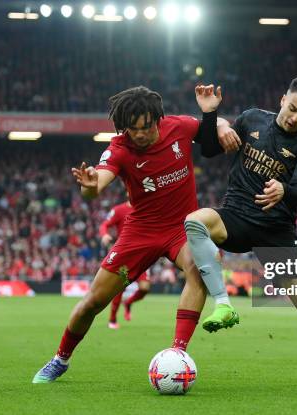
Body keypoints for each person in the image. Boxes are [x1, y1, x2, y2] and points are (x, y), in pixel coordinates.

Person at [32, 84, 236, 383]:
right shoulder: (119, 148)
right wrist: (89, 187)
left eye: (146, 127)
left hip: (181, 229)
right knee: (93, 302)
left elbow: (210, 126)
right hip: (141, 232)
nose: (139, 134)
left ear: (158, 119)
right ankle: (60, 359)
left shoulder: (177, 127)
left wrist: (219, 123)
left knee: (198, 269)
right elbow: (98, 183)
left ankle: (177, 355)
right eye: (132, 128)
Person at [184, 77, 297, 386]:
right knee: (195, 221)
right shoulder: (251, 119)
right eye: (292, 109)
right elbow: (209, 150)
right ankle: (223, 305)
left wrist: (284, 189)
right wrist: (214, 119)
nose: (295, 118)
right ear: (282, 99)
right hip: (234, 216)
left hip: (275, 232)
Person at [98, 200, 150, 329]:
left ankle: (128, 303)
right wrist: (104, 235)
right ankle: (112, 319)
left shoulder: (147, 206)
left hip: (142, 256)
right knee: (120, 287)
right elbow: (104, 225)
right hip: (125, 257)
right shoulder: (119, 210)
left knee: (144, 288)